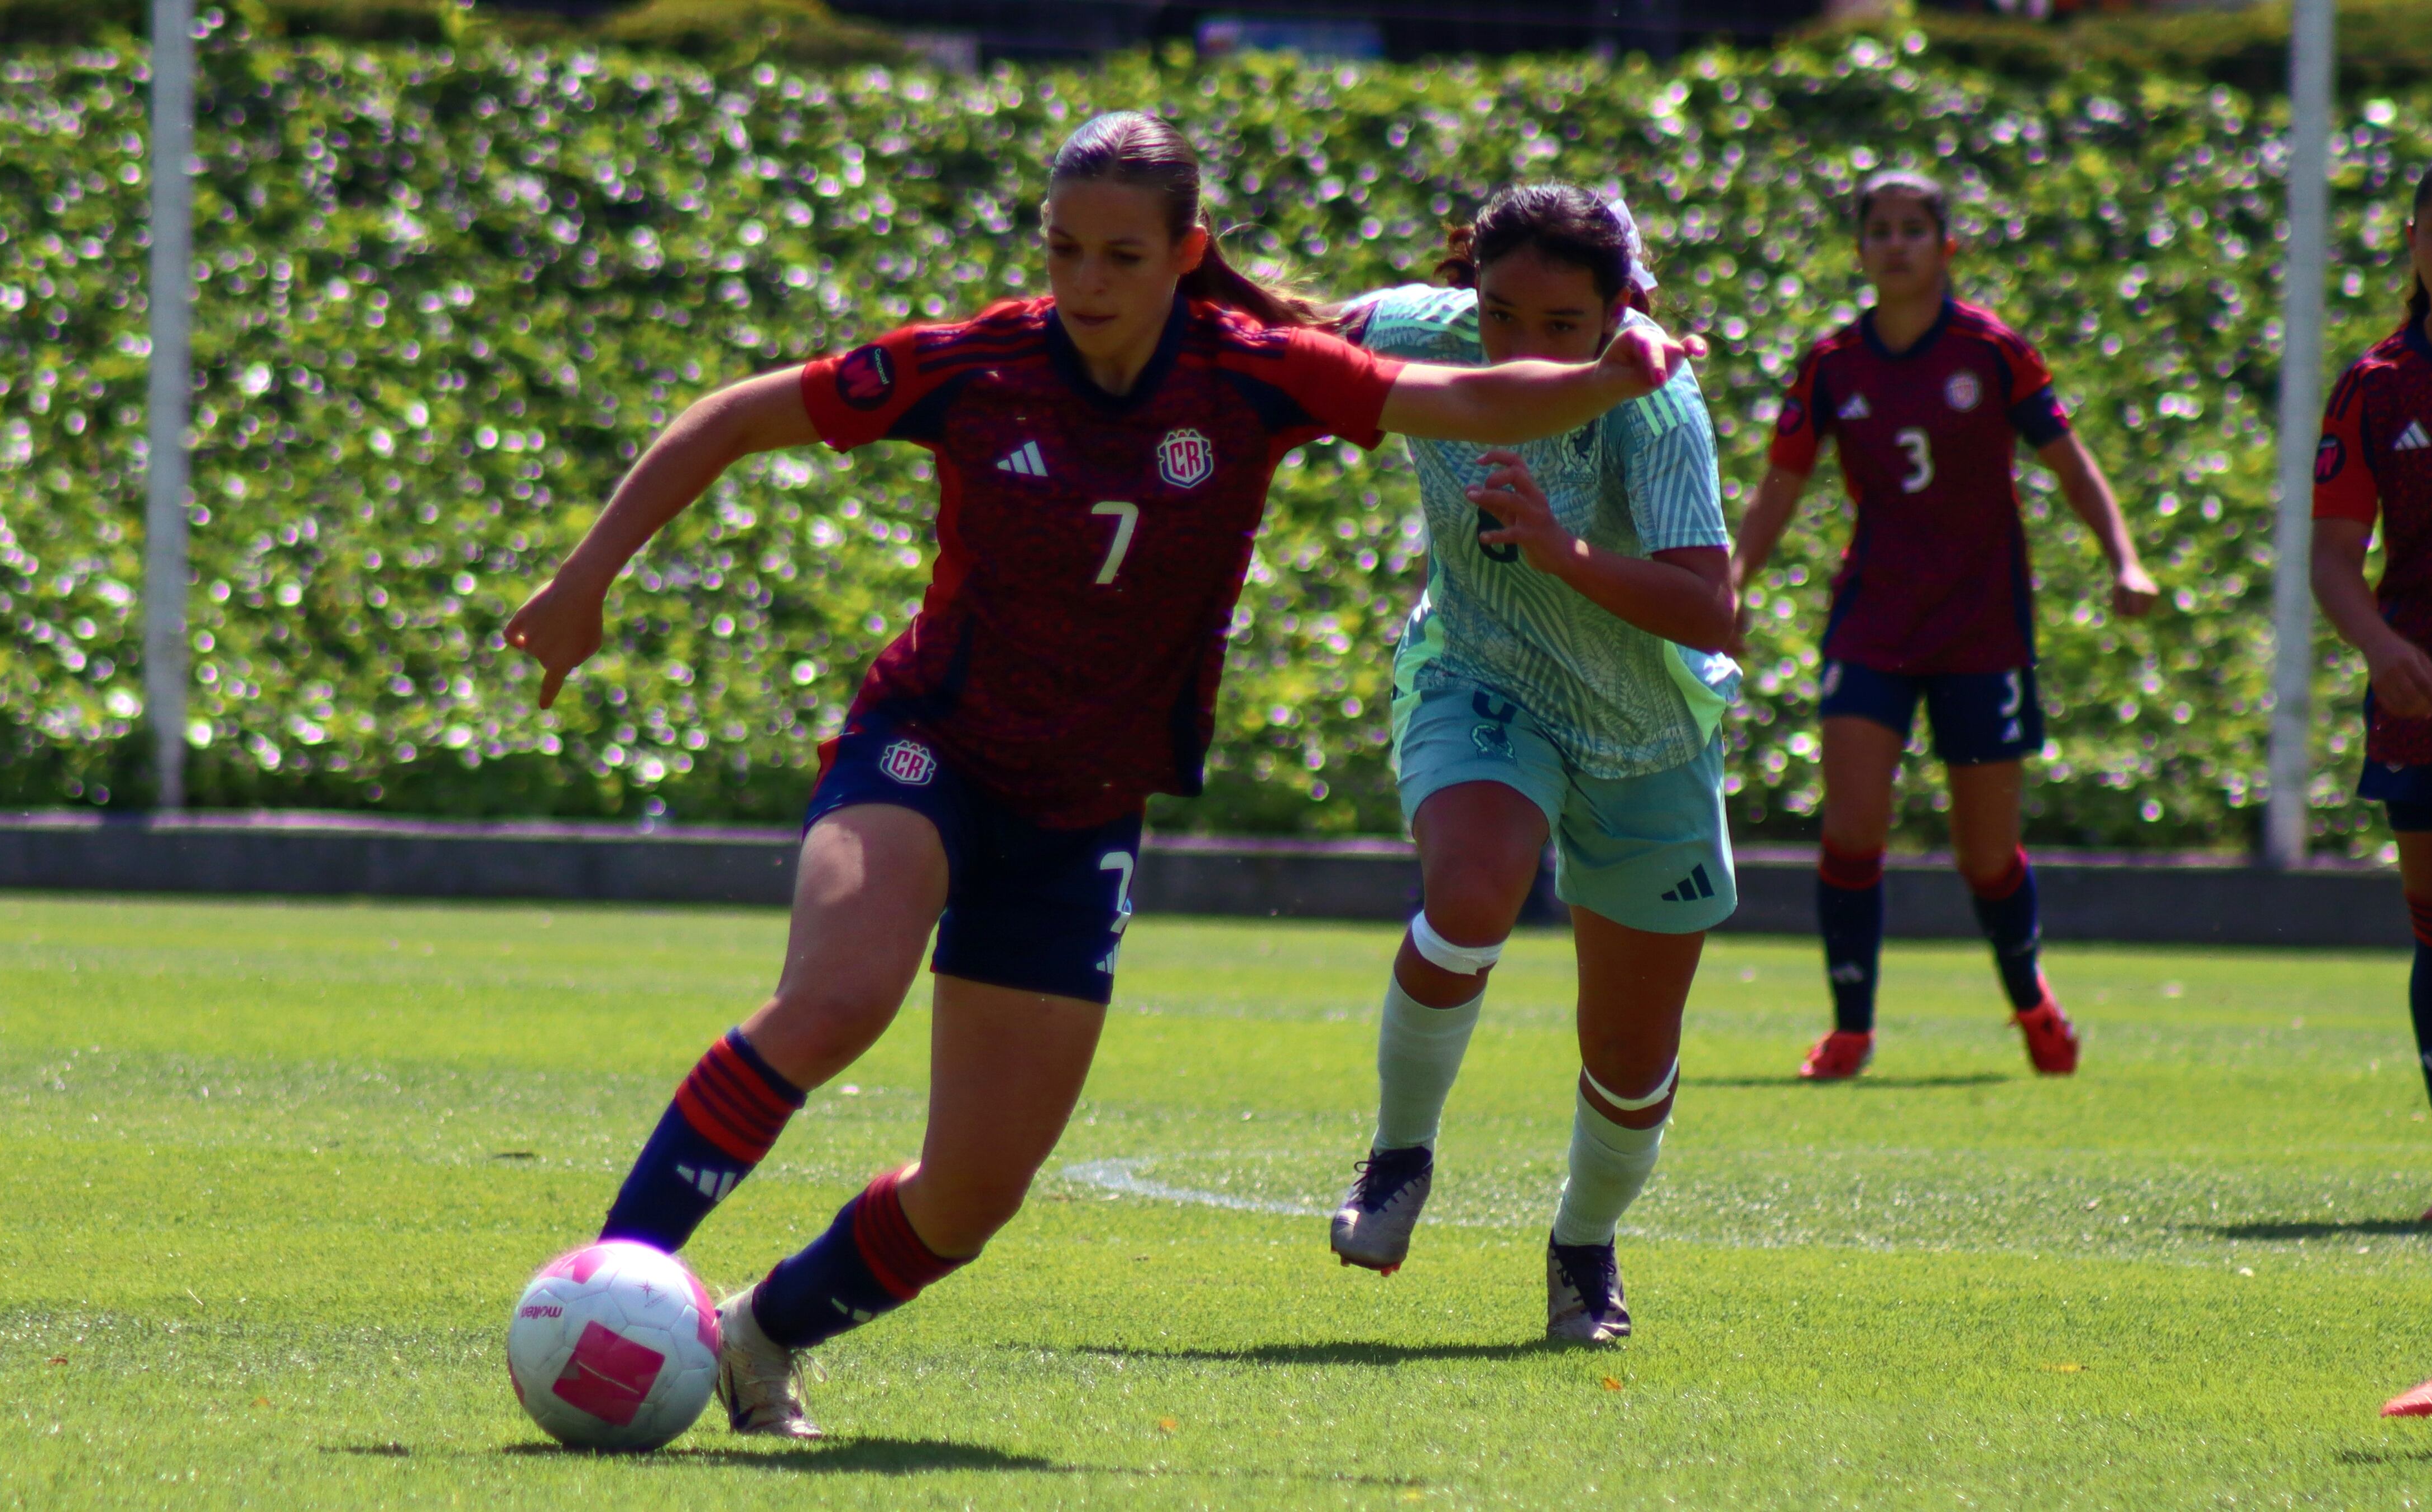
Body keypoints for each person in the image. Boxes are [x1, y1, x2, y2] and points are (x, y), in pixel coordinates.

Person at [501, 110, 1697, 1438]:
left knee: (970, 1194)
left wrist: (1607, 380)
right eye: (1063, 248)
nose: (1084, 283)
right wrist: (584, 576)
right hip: (929, 745)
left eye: (1121, 256)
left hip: (1081, 810)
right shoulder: (978, 363)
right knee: (838, 997)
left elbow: (1461, 395)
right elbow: (738, 415)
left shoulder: (1254, 373)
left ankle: (757, 1331)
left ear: (1187, 254)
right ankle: (601, 1290)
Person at [1319, 186, 1736, 1346]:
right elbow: (1274, 332)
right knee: (1470, 887)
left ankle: (1582, 1246)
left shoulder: (1655, 408)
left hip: (1646, 729)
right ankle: (1399, 1154)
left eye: (1562, 327)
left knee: (1630, 1055)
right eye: (1500, 314)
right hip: (1479, 676)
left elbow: (1713, 611)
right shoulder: (1418, 335)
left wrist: (1561, 551)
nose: (1523, 350)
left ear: (1619, 316)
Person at [1728, 169, 2158, 1082]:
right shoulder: (1833, 363)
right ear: (1860, 250)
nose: (1895, 243)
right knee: (1851, 827)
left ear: (1945, 247)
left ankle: (2031, 1002)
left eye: (1913, 229)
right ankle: (1849, 1029)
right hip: (1873, 622)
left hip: (1981, 630)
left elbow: (2072, 469)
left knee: (1985, 852)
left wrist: (2123, 556)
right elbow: (1780, 486)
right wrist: (1729, 583)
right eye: (1878, 229)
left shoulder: (1993, 352)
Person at [2309, 143, 2432, 1230]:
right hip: (2424, 689)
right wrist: (2378, 645)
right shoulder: (2377, 388)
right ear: (2414, 244)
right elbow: (2334, 557)